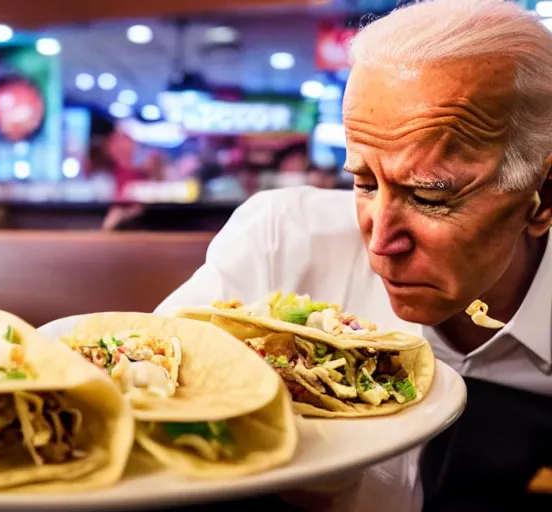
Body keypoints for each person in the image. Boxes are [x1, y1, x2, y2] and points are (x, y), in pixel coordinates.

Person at [155, 1, 552, 511]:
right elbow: (145, 394)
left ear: (542, 197)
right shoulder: (281, 243)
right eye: (363, 182)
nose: (380, 241)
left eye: (430, 196)